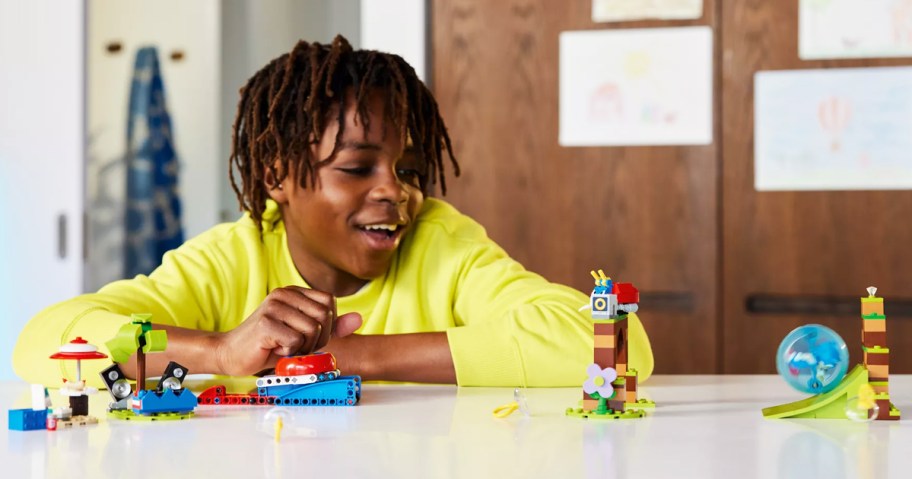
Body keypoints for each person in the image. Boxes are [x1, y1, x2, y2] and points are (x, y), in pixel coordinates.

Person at [14, 35, 653, 388]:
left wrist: (344, 358)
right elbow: (44, 339)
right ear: (277, 177)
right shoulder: (231, 258)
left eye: (407, 169)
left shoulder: (441, 243)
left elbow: (616, 347)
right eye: (357, 167)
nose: (395, 191)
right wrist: (218, 351)